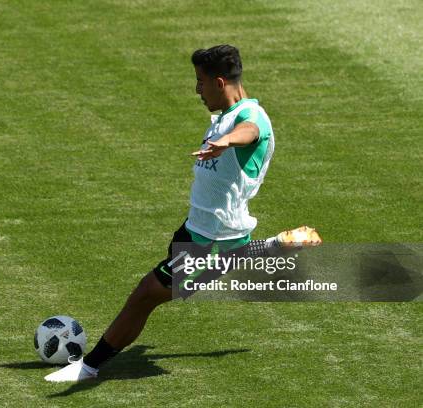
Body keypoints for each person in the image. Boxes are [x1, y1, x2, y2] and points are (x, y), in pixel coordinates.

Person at [44, 45, 321, 382]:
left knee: (145, 295)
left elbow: (253, 130)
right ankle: (275, 246)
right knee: (180, 279)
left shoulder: (250, 118)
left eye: (200, 82)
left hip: (212, 238)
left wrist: (229, 141)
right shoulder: (224, 117)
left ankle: (87, 368)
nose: (197, 90)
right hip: (197, 229)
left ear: (220, 82)